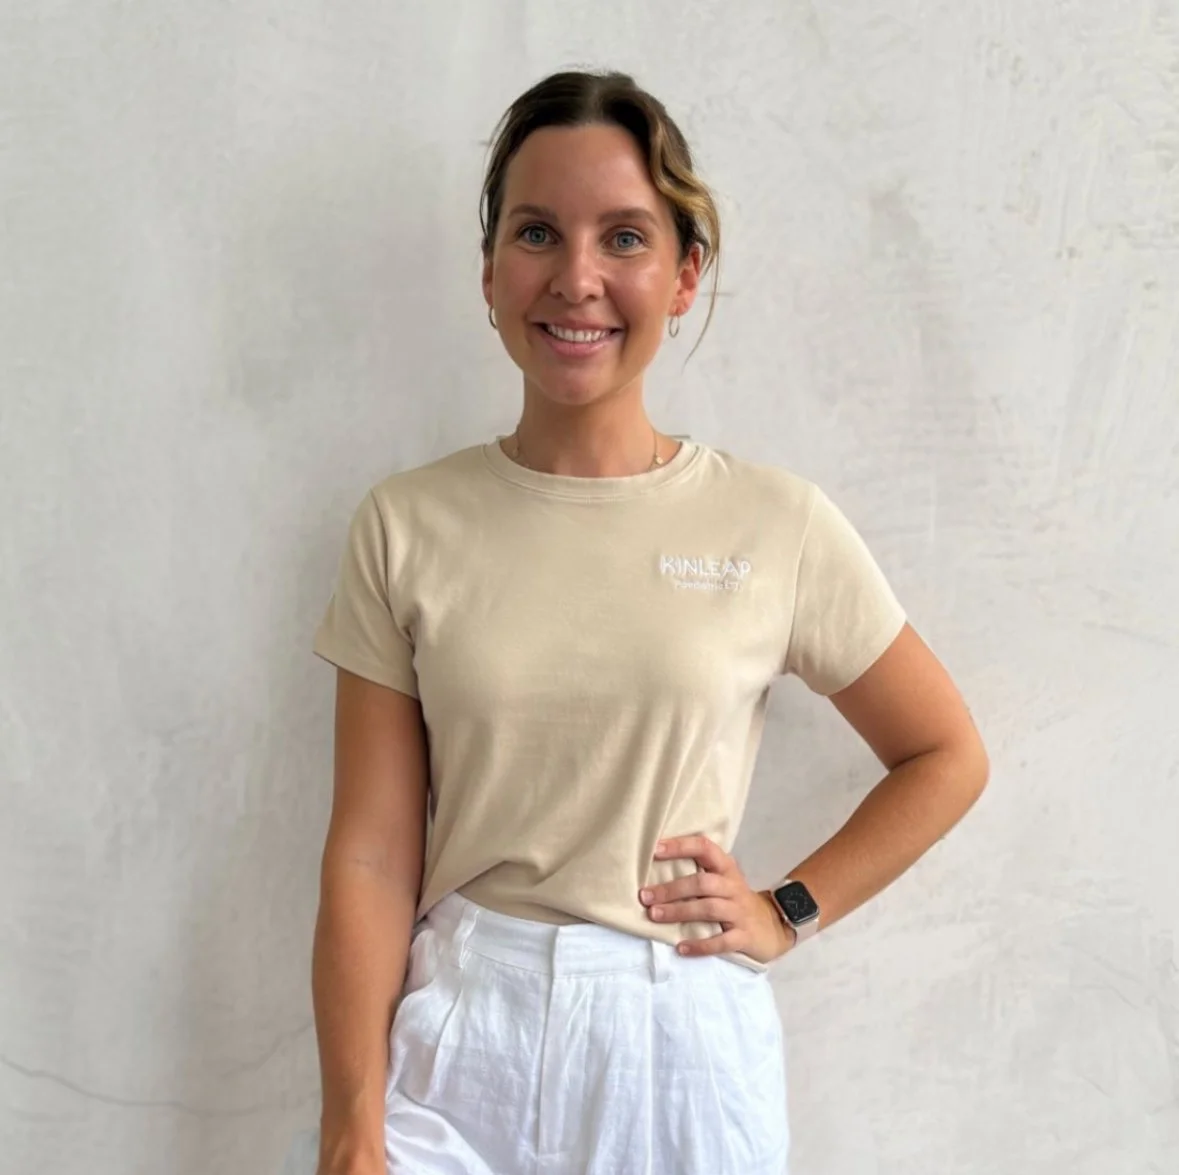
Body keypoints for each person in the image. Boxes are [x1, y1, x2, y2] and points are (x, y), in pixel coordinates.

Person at [302, 69, 989, 1175]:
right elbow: (373, 854)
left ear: (683, 276)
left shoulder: (774, 522)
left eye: (624, 238)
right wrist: (351, 1126)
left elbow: (944, 753)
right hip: (461, 1029)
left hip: (679, 1037)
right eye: (536, 232)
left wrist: (787, 907)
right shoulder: (406, 523)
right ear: (489, 270)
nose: (576, 278)